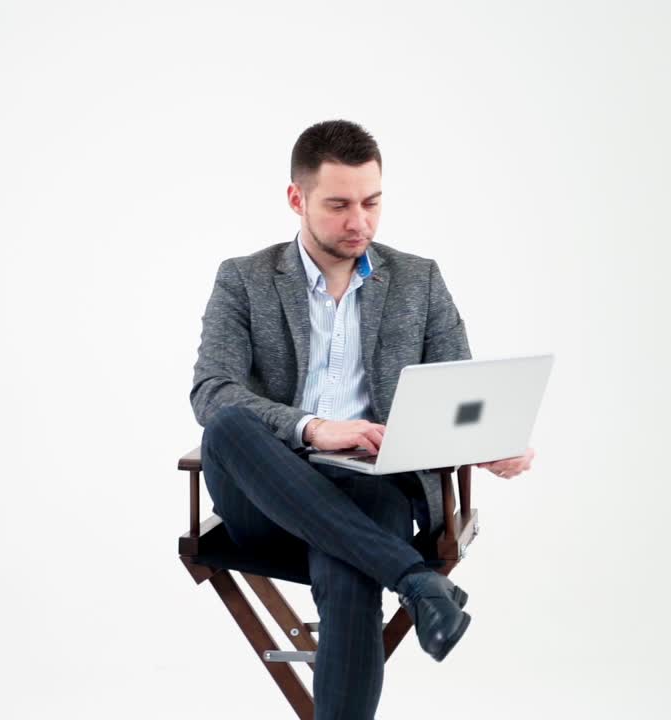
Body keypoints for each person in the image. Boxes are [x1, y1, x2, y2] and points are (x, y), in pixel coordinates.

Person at [190, 119, 535, 719]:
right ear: (296, 199)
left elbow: (457, 395)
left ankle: (410, 580)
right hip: (267, 498)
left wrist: (492, 441)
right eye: (339, 205)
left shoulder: (419, 280)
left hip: (375, 488)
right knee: (227, 426)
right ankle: (415, 579)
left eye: (372, 202)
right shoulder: (243, 279)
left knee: (350, 564)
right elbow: (211, 390)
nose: (360, 222)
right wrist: (313, 428)